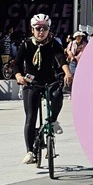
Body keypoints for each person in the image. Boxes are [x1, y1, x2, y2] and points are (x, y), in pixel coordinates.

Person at [15, 13, 73, 165]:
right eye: (38, 28)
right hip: (31, 83)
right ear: (32, 29)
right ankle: (30, 151)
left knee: (58, 95)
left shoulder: (53, 44)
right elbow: (17, 64)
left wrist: (67, 72)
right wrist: (19, 76)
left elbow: (61, 59)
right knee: (31, 117)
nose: (41, 31)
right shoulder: (26, 44)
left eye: (45, 28)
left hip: (49, 81)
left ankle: (53, 121)